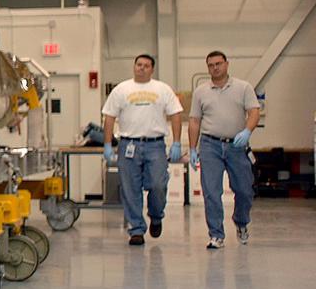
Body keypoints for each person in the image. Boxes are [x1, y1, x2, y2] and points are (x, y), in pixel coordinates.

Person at [102, 54, 184, 246]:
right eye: (139, 65)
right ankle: (136, 229)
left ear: (152, 69)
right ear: (134, 67)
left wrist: (177, 142)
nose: (141, 68)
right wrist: (107, 144)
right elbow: (109, 117)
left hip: (155, 145)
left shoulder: (162, 89)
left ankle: (156, 216)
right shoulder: (122, 89)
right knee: (130, 188)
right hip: (128, 144)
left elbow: (176, 114)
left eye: (146, 66)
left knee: (158, 184)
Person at [188, 51, 260, 250]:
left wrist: (247, 130)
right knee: (211, 192)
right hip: (210, 145)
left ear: (227, 64)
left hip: (237, 145)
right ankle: (216, 235)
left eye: (218, 63)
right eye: (210, 65)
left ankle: (241, 221)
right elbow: (194, 120)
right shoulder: (201, 92)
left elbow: (254, 111)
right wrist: (192, 148)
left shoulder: (243, 87)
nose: (215, 68)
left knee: (244, 190)